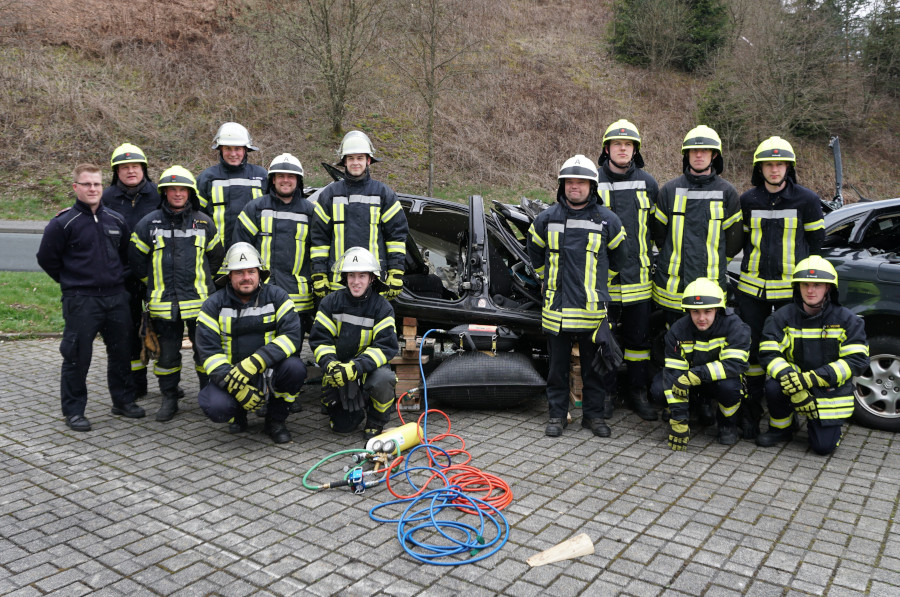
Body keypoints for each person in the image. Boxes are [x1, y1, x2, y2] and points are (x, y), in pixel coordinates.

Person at [36, 163, 146, 431]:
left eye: (97, 184)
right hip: (81, 301)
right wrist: (72, 283)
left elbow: (126, 256)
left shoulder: (116, 220)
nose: (93, 189)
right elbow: (47, 259)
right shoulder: (63, 223)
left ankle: (122, 401)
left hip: (116, 298)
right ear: (76, 187)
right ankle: (74, 411)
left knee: (121, 353)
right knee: (77, 356)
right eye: (87, 184)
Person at [527, 155, 628, 438]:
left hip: (591, 310)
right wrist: (545, 276)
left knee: (594, 370)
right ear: (562, 186)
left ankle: (593, 417)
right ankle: (557, 416)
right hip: (556, 310)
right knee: (557, 369)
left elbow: (620, 257)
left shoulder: (608, 220)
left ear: (591, 187)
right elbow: (534, 250)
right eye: (570, 182)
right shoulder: (547, 218)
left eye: (581, 182)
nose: (575, 187)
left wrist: (600, 283)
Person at [736, 136, 825, 438]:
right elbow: (744, 241)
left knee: (789, 353)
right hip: (752, 291)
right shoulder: (747, 200)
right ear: (759, 169)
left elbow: (816, 246)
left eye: (780, 164)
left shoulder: (808, 200)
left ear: (789, 167)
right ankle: (751, 414)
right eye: (768, 164)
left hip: (790, 293)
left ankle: (785, 416)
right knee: (752, 354)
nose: (774, 170)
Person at [129, 166, 224, 422]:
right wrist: (154, 284)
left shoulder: (204, 223)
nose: (178, 194)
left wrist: (201, 281)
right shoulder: (148, 224)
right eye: (173, 189)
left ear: (190, 193)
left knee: (205, 355)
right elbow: (136, 261)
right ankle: (169, 398)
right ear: (164, 193)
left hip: (201, 304)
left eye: (183, 189)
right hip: (164, 306)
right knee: (167, 357)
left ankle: (208, 396)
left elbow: (216, 260)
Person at [195, 243, 307, 444]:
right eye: (239, 272)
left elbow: (292, 336)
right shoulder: (213, 305)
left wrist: (255, 362)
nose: (246, 277)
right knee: (214, 405)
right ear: (229, 275)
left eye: (251, 271)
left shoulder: (277, 297)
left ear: (259, 273)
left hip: (268, 372)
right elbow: (209, 354)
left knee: (295, 368)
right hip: (232, 374)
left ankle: (275, 420)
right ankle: (237, 414)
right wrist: (236, 387)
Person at [756, 256, 868, 455]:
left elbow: (856, 360)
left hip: (828, 387)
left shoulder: (848, 320)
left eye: (817, 285)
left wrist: (811, 379)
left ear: (828, 288)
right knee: (773, 386)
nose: (810, 290)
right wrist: (794, 383)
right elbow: (768, 353)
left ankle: (827, 429)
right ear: (797, 287)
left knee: (823, 448)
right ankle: (782, 428)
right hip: (793, 382)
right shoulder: (781, 317)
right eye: (805, 284)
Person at [596, 119, 659, 421]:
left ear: (635, 150)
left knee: (638, 343)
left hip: (638, 279)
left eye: (628, 144)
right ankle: (607, 394)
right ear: (607, 148)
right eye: (617, 144)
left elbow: (659, 231)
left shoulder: (649, 183)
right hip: (602, 281)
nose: (623, 148)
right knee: (604, 340)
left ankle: (637, 393)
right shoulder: (591, 182)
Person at [652, 125, 742, 325]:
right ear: (687, 155)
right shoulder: (669, 190)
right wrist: (672, 256)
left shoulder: (727, 192)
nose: (699, 155)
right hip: (674, 286)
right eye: (694, 150)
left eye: (705, 151)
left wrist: (717, 261)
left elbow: (734, 240)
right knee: (674, 338)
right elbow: (659, 234)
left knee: (710, 339)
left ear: (714, 155)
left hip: (710, 283)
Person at [308, 247, 399, 440]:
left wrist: (356, 368)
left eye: (362, 276)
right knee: (342, 427)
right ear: (345, 277)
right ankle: (345, 408)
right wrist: (331, 364)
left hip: (369, 370)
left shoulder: (382, 307)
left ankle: (376, 419)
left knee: (384, 379)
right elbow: (320, 339)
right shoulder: (330, 302)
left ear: (372, 278)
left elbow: (385, 347)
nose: (356, 282)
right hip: (339, 370)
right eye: (351, 275)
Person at [310, 130, 408, 301]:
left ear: (368, 160)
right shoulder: (330, 195)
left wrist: (396, 272)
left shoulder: (383, 194)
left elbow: (396, 237)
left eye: (360, 158)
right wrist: (319, 274)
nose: (355, 163)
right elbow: (319, 239)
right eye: (351, 158)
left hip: (374, 281)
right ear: (344, 162)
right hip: (337, 283)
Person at [654, 278, 750, 450]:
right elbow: (673, 374)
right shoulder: (678, 330)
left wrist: (696, 374)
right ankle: (692, 411)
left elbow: (733, 365)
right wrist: (678, 420)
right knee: (659, 390)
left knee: (730, 387)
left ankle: (727, 424)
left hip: (718, 381)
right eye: (695, 312)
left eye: (708, 311)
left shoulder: (735, 326)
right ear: (688, 311)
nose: (702, 318)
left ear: (718, 310)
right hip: (690, 383)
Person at [101, 143, 160, 398]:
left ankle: (169, 382)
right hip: (122, 278)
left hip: (156, 275)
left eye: (135, 166)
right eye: (124, 167)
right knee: (128, 332)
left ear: (144, 169)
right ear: (116, 172)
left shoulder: (159, 195)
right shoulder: (105, 198)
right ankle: (136, 384)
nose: (130, 171)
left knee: (165, 331)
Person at [234, 153, 316, 330]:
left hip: (298, 298)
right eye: (280, 176)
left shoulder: (311, 212)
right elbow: (241, 250)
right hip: (260, 295)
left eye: (290, 176)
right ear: (272, 179)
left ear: (298, 180)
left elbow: (319, 252)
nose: (285, 180)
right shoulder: (255, 209)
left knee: (292, 350)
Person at [197, 122, 267, 251]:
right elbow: (197, 216)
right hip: (218, 251)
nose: (233, 154)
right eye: (228, 148)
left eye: (237, 148)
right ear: (220, 149)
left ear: (245, 150)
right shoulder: (207, 178)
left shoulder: (261, 176)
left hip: (256, 251)